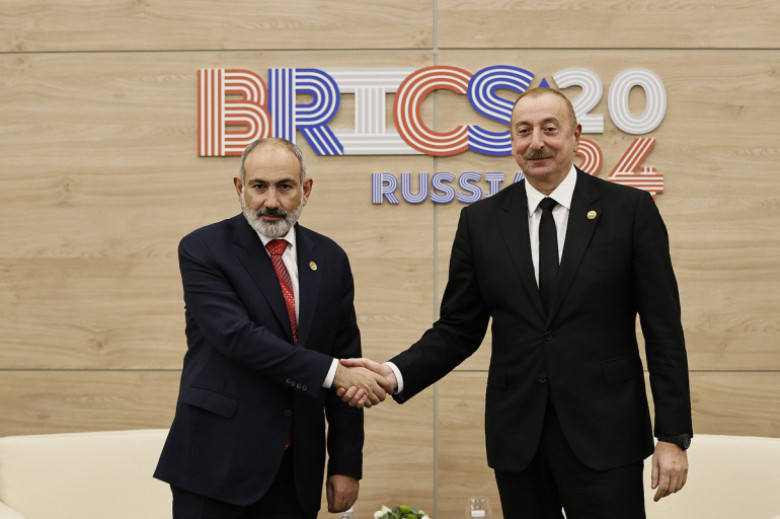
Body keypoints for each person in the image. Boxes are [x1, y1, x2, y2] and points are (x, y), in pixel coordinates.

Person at [339, 88, 692, 518]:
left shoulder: (629, 211)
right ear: (512, 141)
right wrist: (394, 374)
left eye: (549, 129)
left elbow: (663, 331)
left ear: (576, 135)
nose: (536, 142)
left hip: (606, 434)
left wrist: (672, 436)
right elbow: (458, 328)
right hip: (519, 439)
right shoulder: (481, 222)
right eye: (523, 131)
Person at [154, 137, 392, 519]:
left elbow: (346, 358)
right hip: (215, 465)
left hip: (296, 471)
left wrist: (345, 463)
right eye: (259, 186)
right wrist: (334, 372)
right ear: (240, 187)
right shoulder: (203, 249)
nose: (271, 201)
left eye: (285, 186)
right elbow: (238, 337)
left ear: (306, 190)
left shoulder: (330, 258)